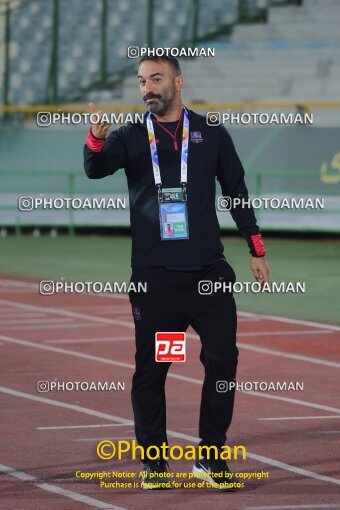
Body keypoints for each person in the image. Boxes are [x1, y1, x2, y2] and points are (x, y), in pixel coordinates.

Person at [83, 55, 269, 490]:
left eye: (156, 78)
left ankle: (211, 458)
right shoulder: (130, 136)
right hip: (158, 283)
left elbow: (236, 190)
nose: (148, 87)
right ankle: (154, 462)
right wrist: (95, 137)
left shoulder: (210, 133)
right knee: (157, 369)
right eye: (142, 80)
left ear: (178, 81)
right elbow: (94, 169)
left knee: (222, 360)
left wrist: (255, 246)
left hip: (207, 278)